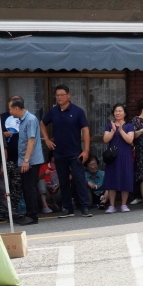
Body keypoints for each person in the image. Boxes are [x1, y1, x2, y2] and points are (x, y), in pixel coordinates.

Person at [41, 86, 94, 217]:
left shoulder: (77, 111)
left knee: (79, 179)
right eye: (57, 95)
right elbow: (42, 123)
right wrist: (47, 139)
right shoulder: (53, 112)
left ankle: (84, 207)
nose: (59, 97)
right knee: (63, 180)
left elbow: (86, 130)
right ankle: (67, 208)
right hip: (58, 152)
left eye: (61, 95)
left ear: (68, 95)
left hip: (75, 152)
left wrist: (86, 150)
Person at [4, 96, 42, 226]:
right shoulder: (23, 120)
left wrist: (26, 160)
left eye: (10, 109)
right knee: (26, 187)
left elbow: (31, 140)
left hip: (30, 160)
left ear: (16, 108)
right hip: (24, 160)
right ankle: (29, 213)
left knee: (30, 188)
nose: (9, 112)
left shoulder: (30, 119)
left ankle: (32, 215)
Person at [102, 104, 136, 212]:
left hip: (125, 156)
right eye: (116, 111)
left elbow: (130, 140)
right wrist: (113, 130)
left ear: (125, 113)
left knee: (125, 179)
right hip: (113, 157)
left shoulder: (129, 126)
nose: (117, 113)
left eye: (120, 111)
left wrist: (121, 131)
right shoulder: (109, 125)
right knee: (112, 179)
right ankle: (111, 205)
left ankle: (124, 204)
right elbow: (105, 140)